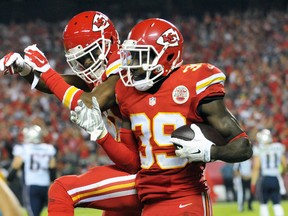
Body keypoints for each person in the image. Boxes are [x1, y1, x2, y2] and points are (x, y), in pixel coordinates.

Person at [70, 18, 253, 215]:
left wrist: (212, 152)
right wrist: (100, 133)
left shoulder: (194, 83)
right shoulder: (126, 93)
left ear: (168, 55)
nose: (133, 66)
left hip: (187, 198)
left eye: (141, 57)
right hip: (151, 201)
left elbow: (243, 147)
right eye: (131, 57)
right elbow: (131, 161)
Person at [0, 11, 142, 216]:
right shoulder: (104, 74)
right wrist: (24, 69)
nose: (85, 64)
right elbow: (54, 84)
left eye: (89, 55)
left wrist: (47, 71)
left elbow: (90, 104)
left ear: (110, 43)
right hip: (137, 162)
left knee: (63, 190)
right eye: (80, 59)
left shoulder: (124, 71)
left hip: (152, 170)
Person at [6, 125, 57, 216]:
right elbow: (52, 166)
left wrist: (8, 179)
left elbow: (16, 164)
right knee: (38, 212)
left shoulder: (24, 149)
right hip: (45, 186)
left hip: (31, 185)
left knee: (33, 213)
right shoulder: (48, 148)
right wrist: (53, 180)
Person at [251, 129, 287, 216]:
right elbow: (285, 164)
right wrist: (282, 173)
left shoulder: (258, 148)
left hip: (265, 178)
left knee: (264, 204)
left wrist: (253, 183)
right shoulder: (278, 147)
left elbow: (256, 167)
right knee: (277, 203)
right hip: (275, 178)